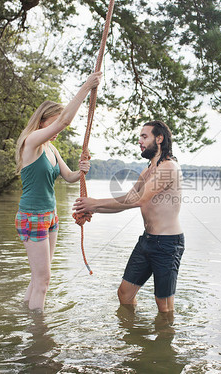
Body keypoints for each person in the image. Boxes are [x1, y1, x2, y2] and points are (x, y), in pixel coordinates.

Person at [73, 120, 185, 314]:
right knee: (125, 294)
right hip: (147, 240)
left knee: (164, 306)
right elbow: (127, 199)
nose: (139, 141)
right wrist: (94, 208)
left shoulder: (169, 168)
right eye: (140, 136)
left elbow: (140, 200)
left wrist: (95, 202)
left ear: (159, 139)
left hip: (167, 244)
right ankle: (133, 334)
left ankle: (164, 341)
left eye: (144, 136)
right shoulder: (147, 170)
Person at [15, 71, 102, 312]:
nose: (57, 129)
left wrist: (82, 170)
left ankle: (24, 314)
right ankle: (38, 336)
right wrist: (86, 87)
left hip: (50, 216)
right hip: (32, 216)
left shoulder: (51, 148)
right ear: (41, 122)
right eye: (51, 124)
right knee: (44, 280)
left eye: (57, 125)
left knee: (38, 277)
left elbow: (69, 177)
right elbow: (65, 120)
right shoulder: (31, 142)